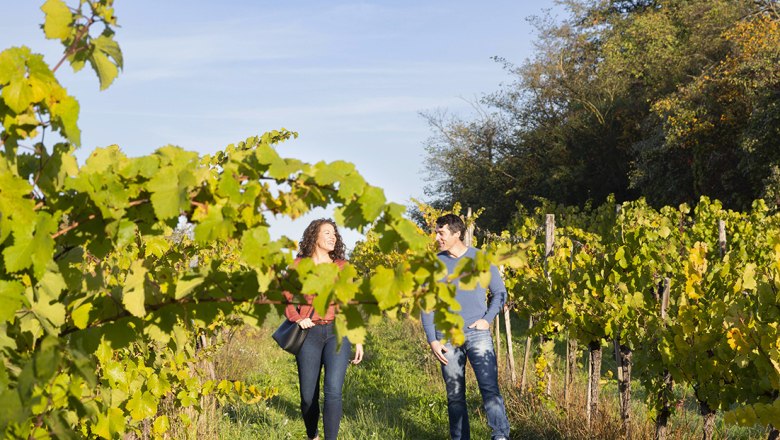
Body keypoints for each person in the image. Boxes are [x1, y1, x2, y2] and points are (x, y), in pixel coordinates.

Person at [421, 213, 511, 440]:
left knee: (490, 389)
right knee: (455, 396)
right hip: (446, 336)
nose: (437, 237)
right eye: (437, 232)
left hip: (478, 333)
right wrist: (432, 339)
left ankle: (500, 435)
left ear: (456, 233)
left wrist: (487, 319)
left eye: (441, 233)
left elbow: (500, 293)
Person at [283, 218, 364, 440]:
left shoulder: (342, 266)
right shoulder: (299, 265)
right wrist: (298, 318)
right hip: (308, 334)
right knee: (308, 396)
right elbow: (286, 299)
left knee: (333, 393)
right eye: (327, 232)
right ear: (314, 236)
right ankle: (313, 435)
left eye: (334, 234)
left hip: (338, 333)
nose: (332, 236)